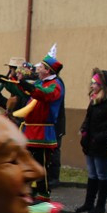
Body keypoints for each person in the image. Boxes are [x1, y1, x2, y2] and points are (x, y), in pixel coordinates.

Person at [14, 45, 65, 200]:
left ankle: (43, 192)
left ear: (48, 70)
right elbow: (25, 93)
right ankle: (30, 189)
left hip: (43, 132)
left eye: (41, 66)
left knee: (40, 163)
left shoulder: (55, 85)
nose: (38, 68)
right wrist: (11, 83)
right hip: (30, 129)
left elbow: (46, 95)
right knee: (27, 162)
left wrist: (28, 86)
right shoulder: (40, 83)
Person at [75, 68, 107, 213]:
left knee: (102, 175)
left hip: (101, 145)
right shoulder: (95, 100)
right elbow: (88, 118)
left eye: (95, 83)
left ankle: (100, 205)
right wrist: (84, 131)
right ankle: (88, 203)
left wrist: (98, 137)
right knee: (92, 174)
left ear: (104, 85)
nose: (92, 86)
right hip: (90, 143)